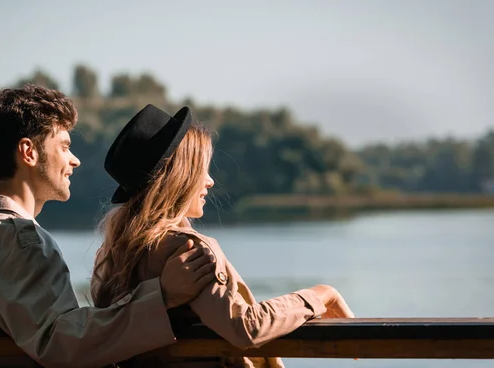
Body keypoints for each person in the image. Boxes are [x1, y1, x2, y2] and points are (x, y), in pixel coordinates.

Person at [0, 85, 217, 368]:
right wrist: (163, 295)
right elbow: (60, 343)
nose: (75, 160)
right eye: (64, 146)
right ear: (28, 152)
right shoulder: (18, 238)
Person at [91, 104, 355, 367]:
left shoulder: (112, 256)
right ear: (181, 177)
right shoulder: (188, 251)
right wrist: (319, 296)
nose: (210, 181)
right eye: (202, 170)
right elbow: (245, 326)